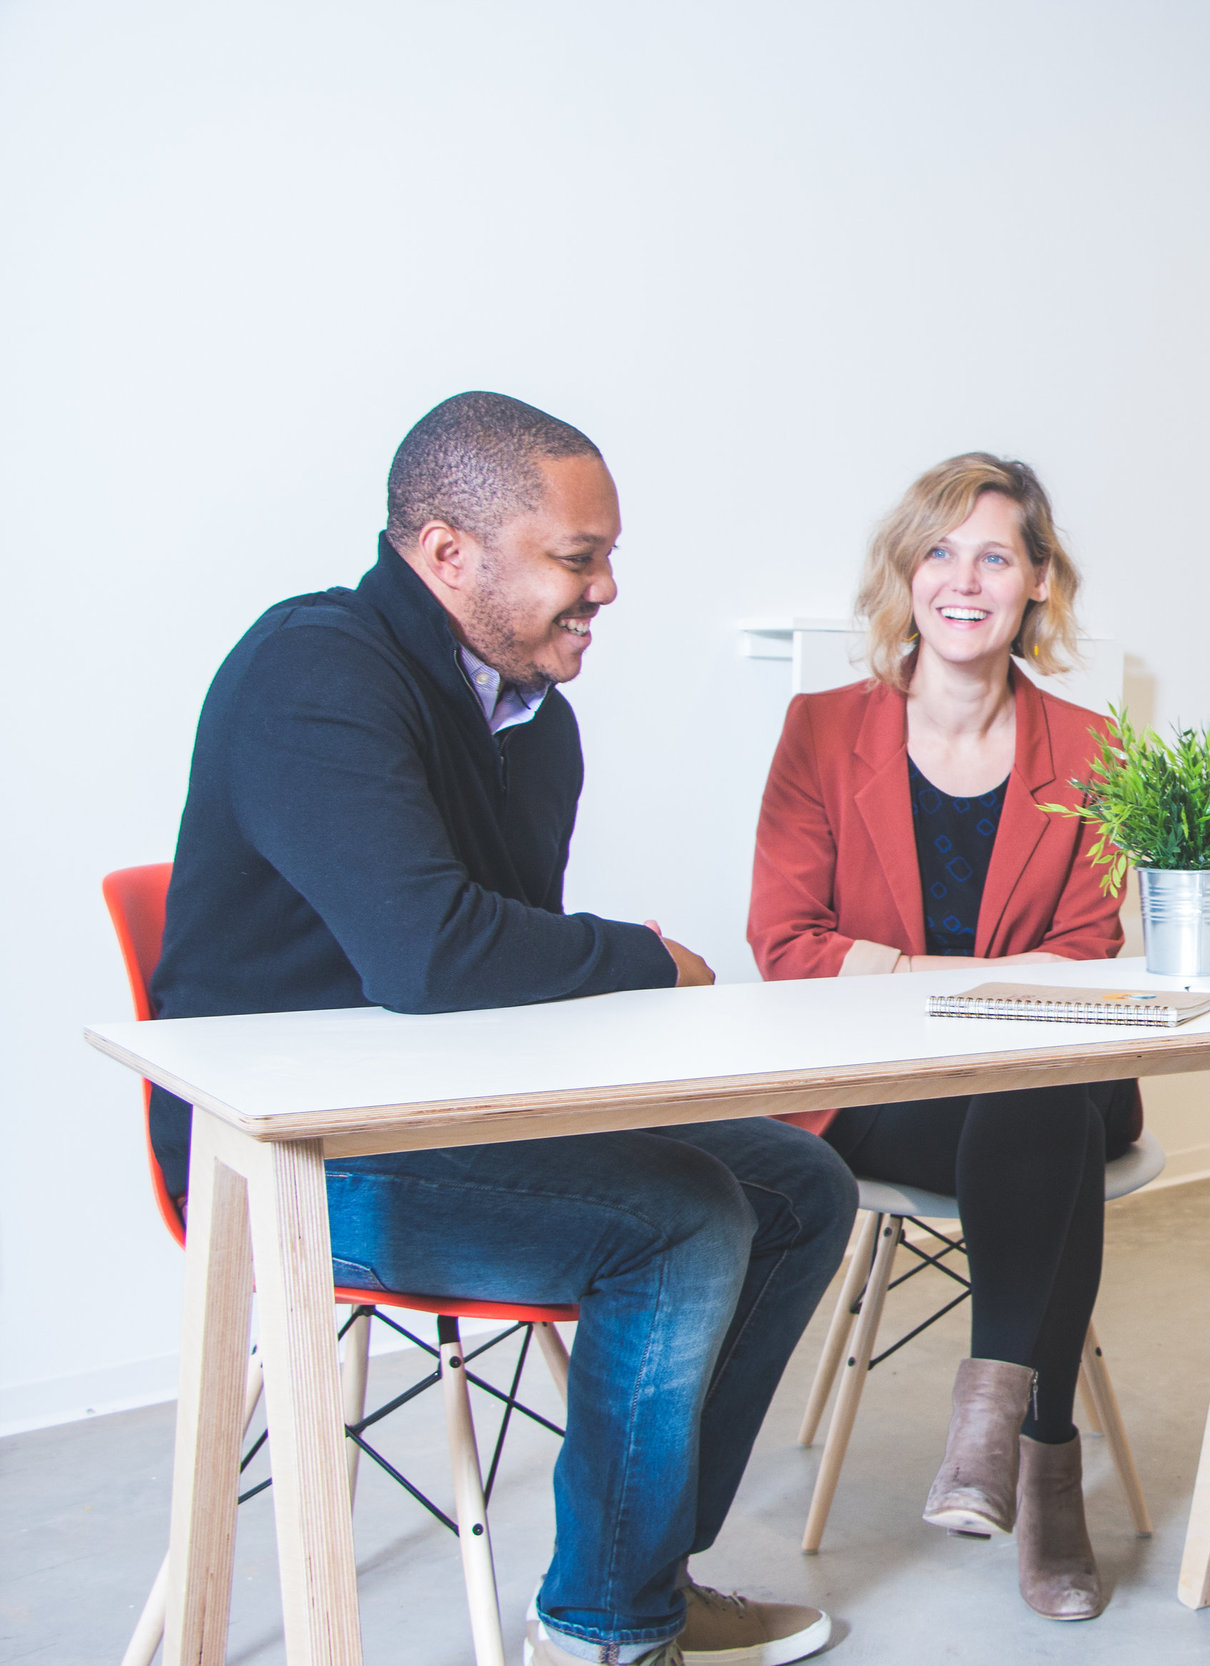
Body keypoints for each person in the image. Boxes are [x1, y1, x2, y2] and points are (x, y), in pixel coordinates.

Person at [148, 392, 854, 1666]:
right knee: (682, 1220)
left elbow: (506, 981)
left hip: (441, 1106)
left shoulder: (534, 719)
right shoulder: (312, 671)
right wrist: (653, 959)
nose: (609, 588)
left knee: (799, 1180)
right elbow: (434, 954)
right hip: (286, 1159)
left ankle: (631, 1566)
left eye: (607, 554)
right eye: (576, 558)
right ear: (445, 552)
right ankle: (608, 1629)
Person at [748, 452, 1131, 1622]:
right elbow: (785, 941)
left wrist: (938, 984)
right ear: (905, 573)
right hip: (885, 1088)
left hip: (1048, 1068)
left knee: (1041, 1091)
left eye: (995, 555)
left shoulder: (1090, 740)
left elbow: (1093, 946)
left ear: (1037, 582)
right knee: (1046, 1111)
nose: (963, 579)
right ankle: (1041, 1460)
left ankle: (985, 1424)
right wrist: (954, 981)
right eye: (939, 551)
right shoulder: (822, 729)